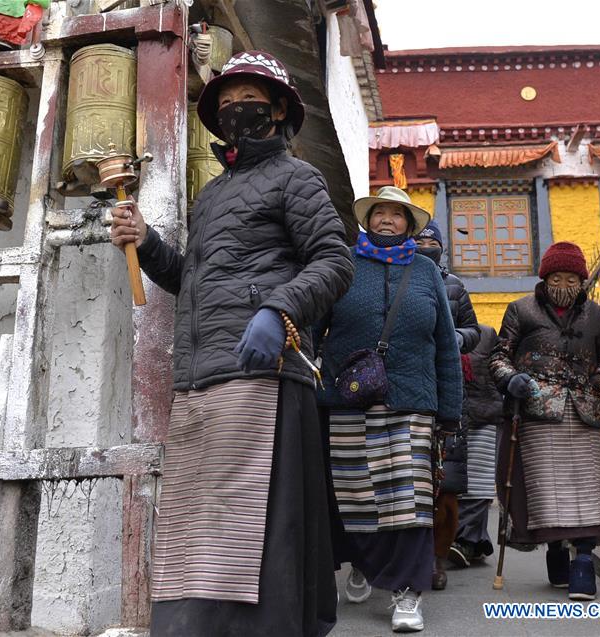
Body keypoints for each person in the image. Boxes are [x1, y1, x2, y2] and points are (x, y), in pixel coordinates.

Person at [111, 50, 354, 637]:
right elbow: (192, 281)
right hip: (201, 376)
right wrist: (147, 244)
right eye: (224, 106)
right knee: (202, 521)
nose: (234, 113)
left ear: (276, 111)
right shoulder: (212, 195)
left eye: (247, 102)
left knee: (256, 526)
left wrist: (278, 308)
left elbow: (335, 260)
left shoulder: (297, 178)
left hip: (262, 373)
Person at [315, 186, 462, 633]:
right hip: (348, 401)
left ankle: (406, 593)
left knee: (411, 500)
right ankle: (363, 563)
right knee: (356, 498)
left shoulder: (425, 271)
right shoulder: (342, 264)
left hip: (412, 402)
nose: (386, 219)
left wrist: (450, 412)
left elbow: (445, 345)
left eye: (396, 215)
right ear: (366, 219)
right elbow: (312, 328)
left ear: (409, 226)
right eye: (379, 211)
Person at [489, 241, 600, 601]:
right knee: (549, 493)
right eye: (557, 276)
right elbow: (499, 356)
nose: (564, 284)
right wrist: (511, 378)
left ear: (582, 279)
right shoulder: (520, 310)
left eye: (572, 277)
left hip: (585, 412)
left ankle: (584, 562)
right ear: (545, 278)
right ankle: (557, 553)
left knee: (590, 491)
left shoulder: (595, 314)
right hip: (537, 410)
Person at [414, 221, 481, 590]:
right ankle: (411, 558)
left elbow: (474, 330)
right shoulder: (402, 276)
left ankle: (438, 559)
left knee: (448, 486)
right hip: (411, 383)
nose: (426, 245)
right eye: (419, 240)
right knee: (410, 482)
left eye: (432, 240)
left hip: (449, 387)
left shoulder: (455, 285)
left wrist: (457, 336)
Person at [449, 324, 503, 568]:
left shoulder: (487, 334)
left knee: (479, 484)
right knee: (452, 481)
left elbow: (499, 369)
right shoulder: (432, 325)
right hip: (451, 417)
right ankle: (472, 540)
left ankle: (466, 540)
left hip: (484, 415)